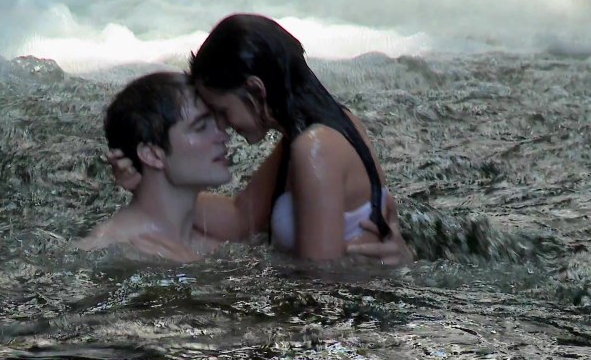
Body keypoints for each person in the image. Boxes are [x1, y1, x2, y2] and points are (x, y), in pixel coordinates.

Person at [108, 14, 412, 265]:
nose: (223, 126)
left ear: (256, 90)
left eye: (223, 111)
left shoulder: (316, 148)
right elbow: (241, 219)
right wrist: (149, 182)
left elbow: (320, 285)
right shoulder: (312, 133)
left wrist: (198, 270)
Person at [76, 72, 230, 262]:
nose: (224, 135)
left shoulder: (212, 248)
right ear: (153, 155)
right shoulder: (103, 252)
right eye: (200, 127)